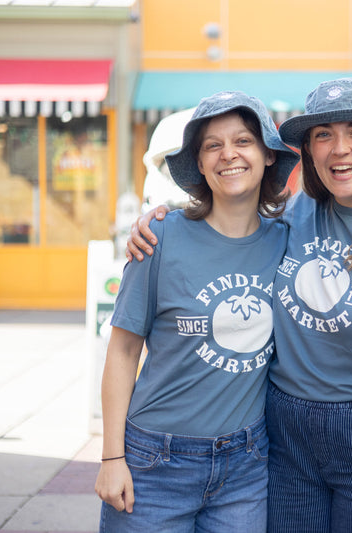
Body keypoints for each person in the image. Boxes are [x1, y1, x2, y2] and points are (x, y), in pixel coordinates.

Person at [128, 77, 352, 533]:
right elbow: (228, 219)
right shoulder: (292, 214)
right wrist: (161, 217)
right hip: (287, 444)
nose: (339, 149)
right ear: (307, 150)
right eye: (323, 134)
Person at [95, 91, 299, 532]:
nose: (229, 154)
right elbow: (124, 351)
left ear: (267, 155)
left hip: (246, 466)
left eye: (243, 141)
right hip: (154, 461)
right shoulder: (160, 237)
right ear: (201, 165)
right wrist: (112, 457)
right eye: (213, 145)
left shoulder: (288, 241)